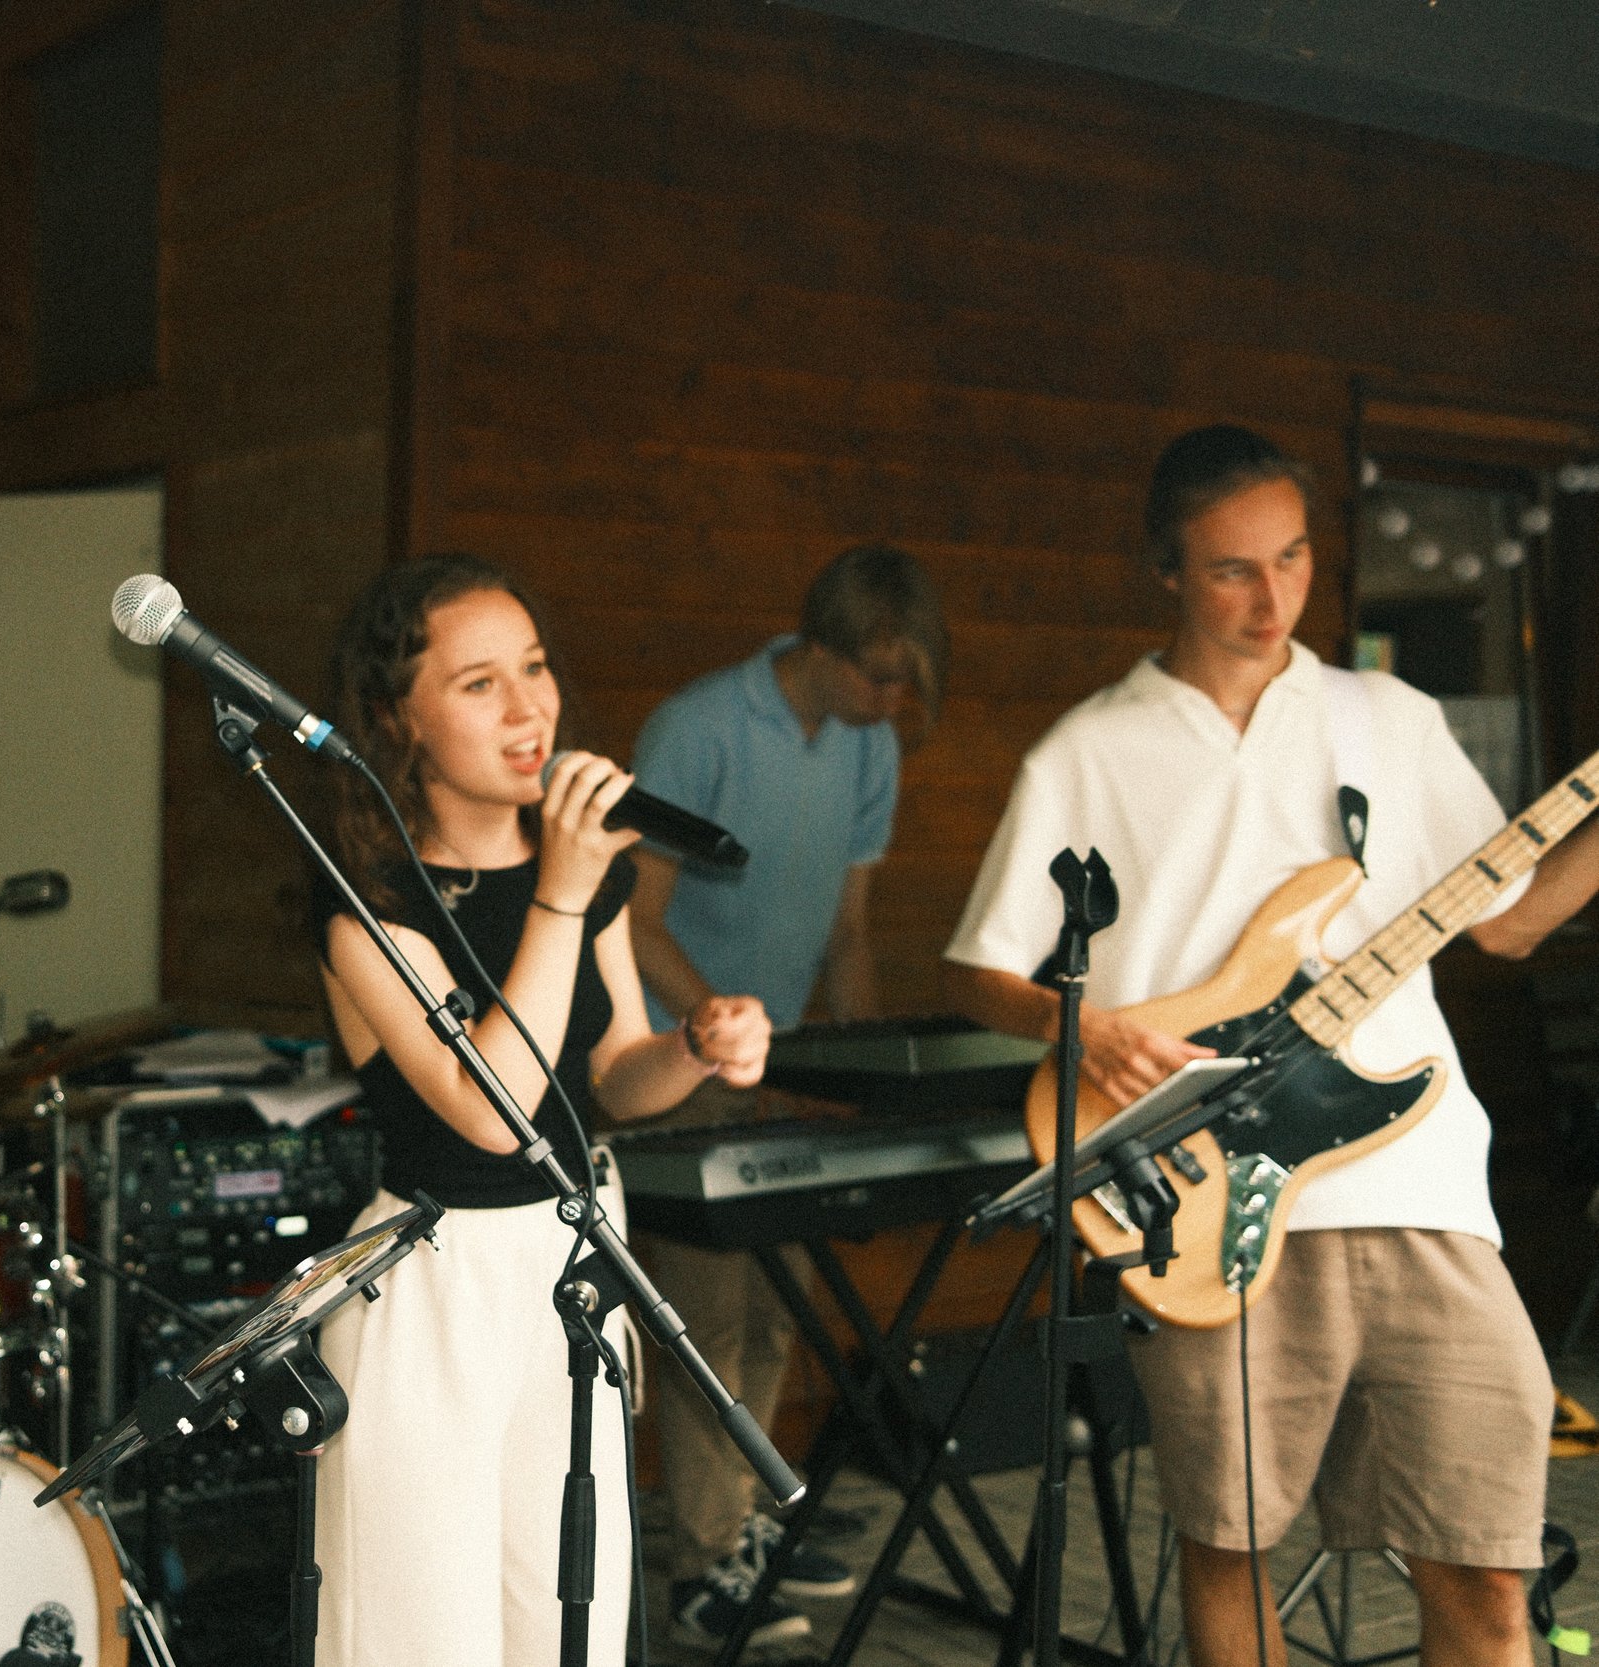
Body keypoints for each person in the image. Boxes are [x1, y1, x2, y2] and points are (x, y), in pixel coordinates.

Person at [943, 425, 1599, 1667]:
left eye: (1292, 560)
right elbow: (981, 967)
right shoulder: (1088, 748)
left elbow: (1504, 921)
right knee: (1230, 1550)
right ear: (1168, 571)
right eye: (1234, 568)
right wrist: (1082, 1030)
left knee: (1489, 1558)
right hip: (1209, 1199)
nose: (1271, 596)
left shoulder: (1386, 716)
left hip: (1421, 1188)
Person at [309, 553, 772, 1667]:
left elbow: (606, 1077)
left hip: (565, 1268)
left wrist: (693, 1048)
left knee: (561, 1614)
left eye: (535, 666)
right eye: (479, 683)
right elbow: (490, 1110)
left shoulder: (589, 875)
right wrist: (559, 893)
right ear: (398, 720)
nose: (530, 707)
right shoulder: (369, 913)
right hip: (431, 1284)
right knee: (425, 1631)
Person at [626, 542, 948, 1653]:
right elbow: (636, 916)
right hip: (681, 1061)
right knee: (708, 1317)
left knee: (777, 1311)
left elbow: (847, 933)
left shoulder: (867, 746)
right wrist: (720, 1024)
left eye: (905, 682)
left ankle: (748, 1524)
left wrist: (849, 1071)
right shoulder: (698, 727)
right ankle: (700, 1566)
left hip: (787, 1069)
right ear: (819, 644)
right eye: (877, 674)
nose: (890, 700)